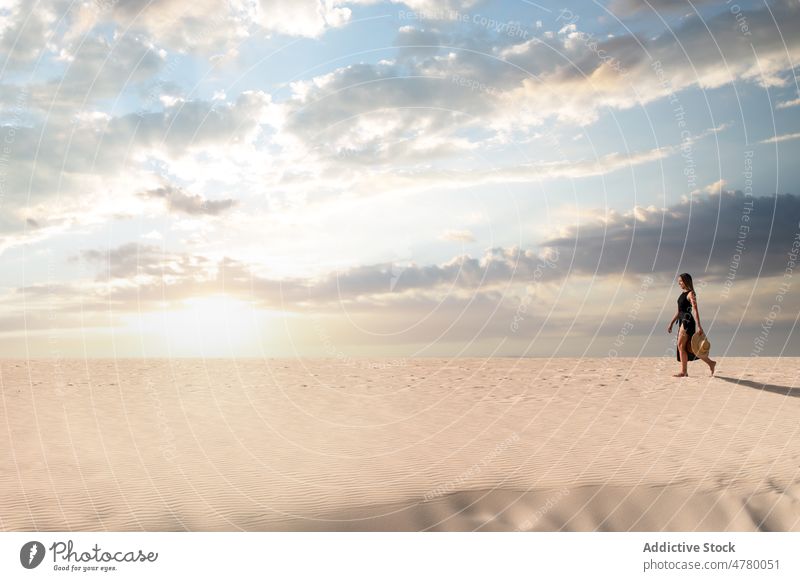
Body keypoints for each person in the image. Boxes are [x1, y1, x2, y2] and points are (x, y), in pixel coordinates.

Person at [667, 273, 716, 377]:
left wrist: (699, 326)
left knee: (682, 346)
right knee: (688, 347)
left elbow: (695, 310)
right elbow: (679, 311)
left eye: (680, 281)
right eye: (679, 281)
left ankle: (684, 372)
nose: (679, 283)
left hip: (687, 322)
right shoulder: (682, 294)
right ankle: (710, 363)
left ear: (686, 281)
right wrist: (671, 323)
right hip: (681, 320)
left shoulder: (691, 294)